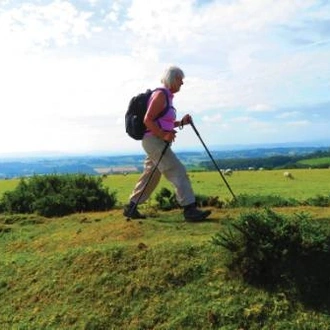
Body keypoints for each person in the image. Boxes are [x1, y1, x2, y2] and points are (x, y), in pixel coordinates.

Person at [123, 65, 211, 222]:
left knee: (151, 174)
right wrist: (163, 134)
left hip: (155, 140)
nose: (182, 83)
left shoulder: (167, 96)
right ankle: (190, 209)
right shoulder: (161, 95)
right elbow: (147, 120)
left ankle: (131, 207)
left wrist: (181, 122)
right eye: (180, 79)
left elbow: (163, 122)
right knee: (177, 170)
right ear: (173, 78)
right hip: (154, 141)